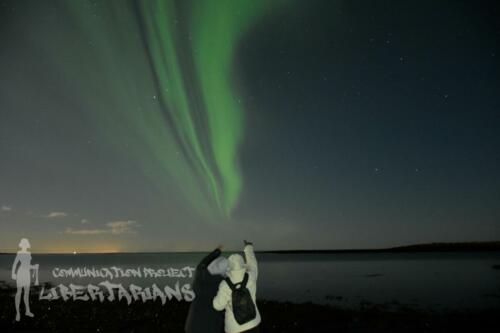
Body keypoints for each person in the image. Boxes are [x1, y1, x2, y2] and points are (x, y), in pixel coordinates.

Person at [213, 240, 261, 333]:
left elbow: (217, 306)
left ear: (229, 266)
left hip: (234, 328)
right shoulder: (251, 276)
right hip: (253, 323)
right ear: (243, 264)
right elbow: (253, 263)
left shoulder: (225, 285)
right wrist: (248, 247)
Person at [185, 245, 229, 333]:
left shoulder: (221, 285)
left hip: (211, 318)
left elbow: (218, 322)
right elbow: (202, 265)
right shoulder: (201, 276)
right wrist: (216, 252)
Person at [11, 238, 38, 322]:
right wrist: (13, 273)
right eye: (24, 243)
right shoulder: (19, 253)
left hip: (27, 274)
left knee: (26, 293)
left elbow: (28, 265)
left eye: (26, 244)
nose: (26, 245)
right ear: (22, 245)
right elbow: (15, 264)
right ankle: (18, 313)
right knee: (19, 292)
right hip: (21, 273)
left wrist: (34, 267)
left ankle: (27, 311)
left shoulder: (29, 253)